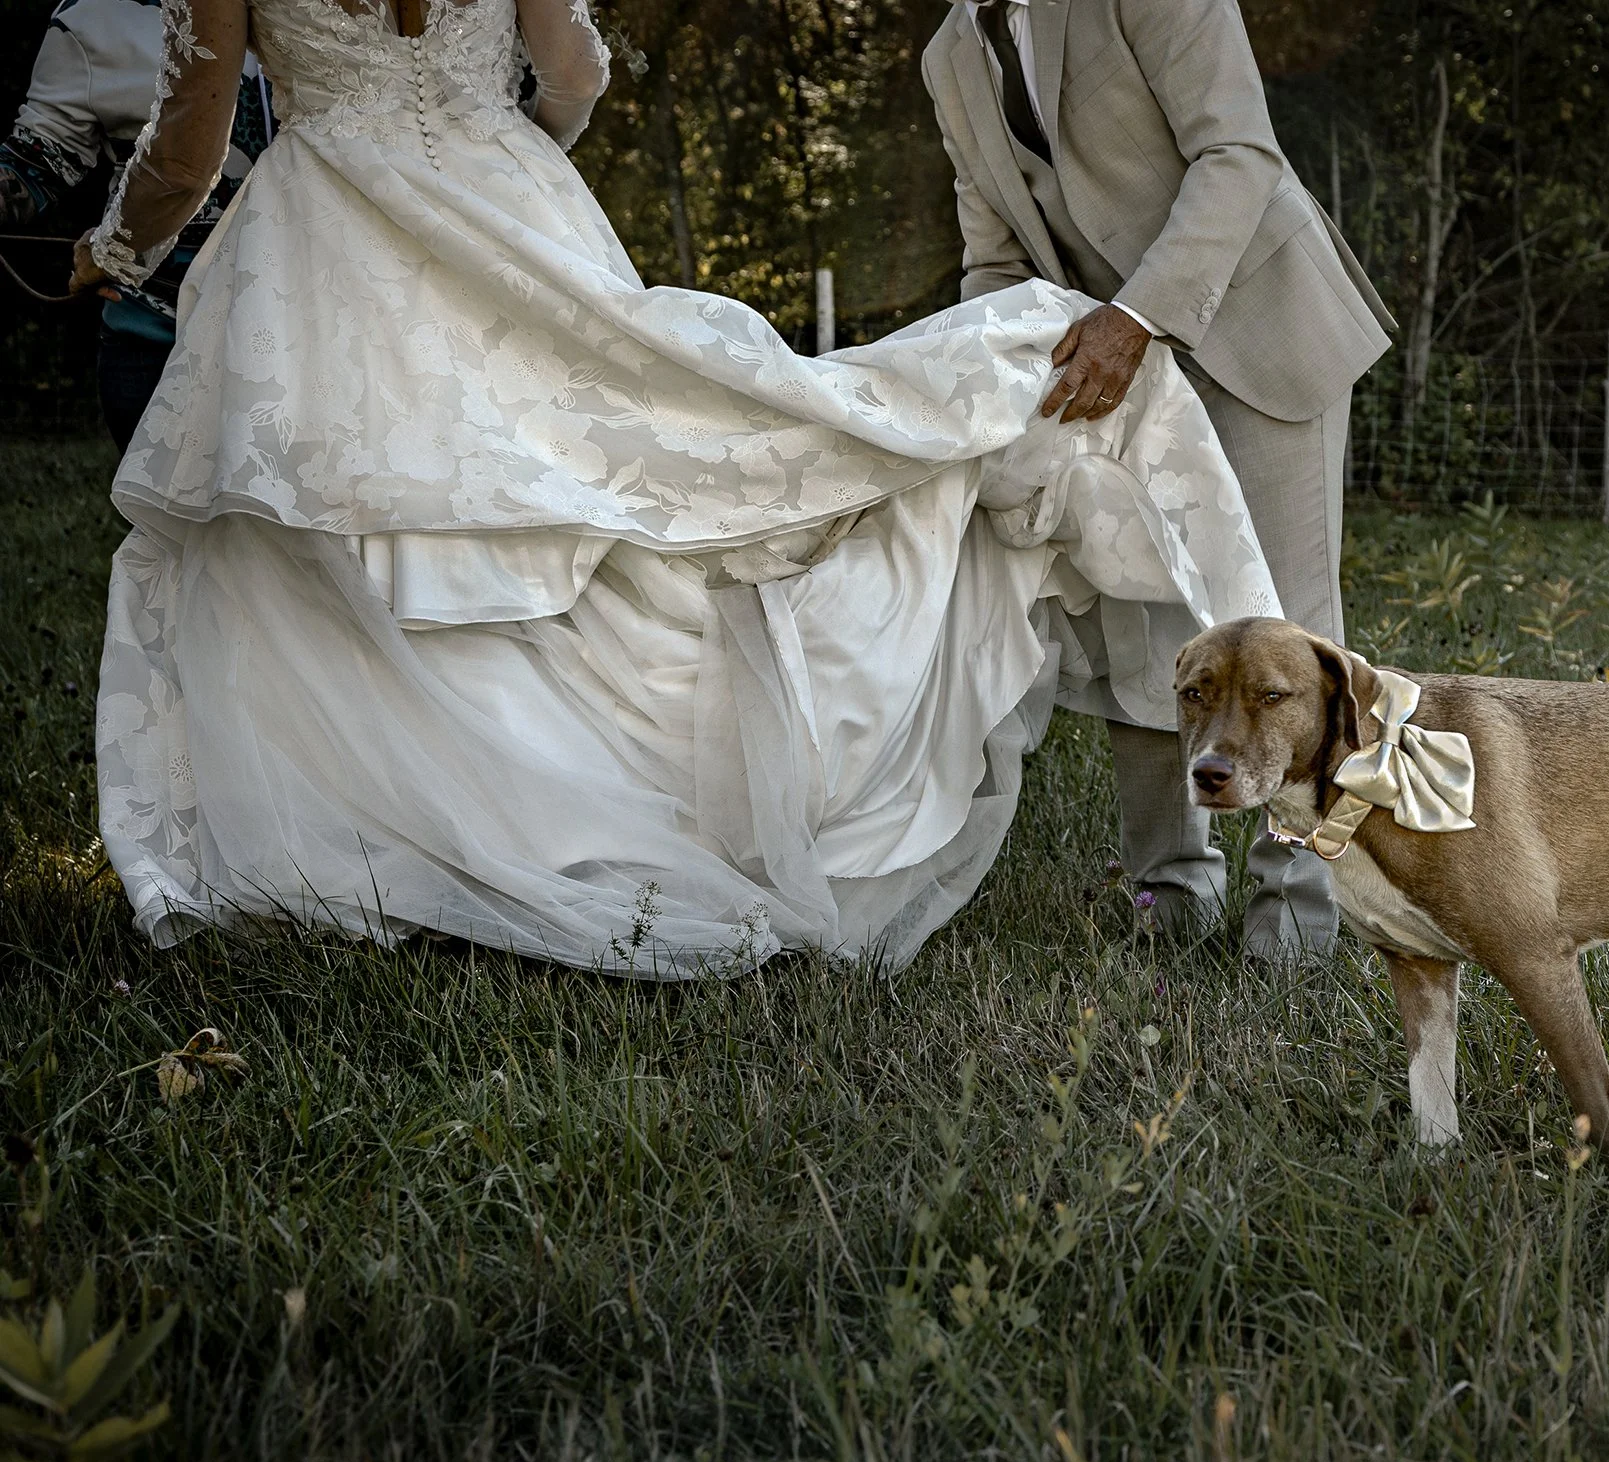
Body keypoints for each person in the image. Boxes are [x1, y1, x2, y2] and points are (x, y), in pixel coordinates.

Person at [71, 0, 1279, 977]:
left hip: (331, 217)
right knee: (591, 515)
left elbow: (190, 139)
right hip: (507, 196)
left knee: (360, 526)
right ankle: (556, 828)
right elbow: (573, 73)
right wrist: (489, 142)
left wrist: (109, 251)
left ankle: (389, 842)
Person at [922, 0, 1394, 966]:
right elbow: (995, 257)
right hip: (1106, 383)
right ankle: (1166, 897)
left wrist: (1137, 318)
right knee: (1141, 634)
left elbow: (1239, 155)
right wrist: (998, 375)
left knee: (1286, 634)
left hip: (1251, 331)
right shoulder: (947, 59)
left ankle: (1297, 917)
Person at [4, 0, 270, 446]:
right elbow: (38, 160)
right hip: (158, 337)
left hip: (317, 319)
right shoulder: (88, 16)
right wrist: (113, 249)